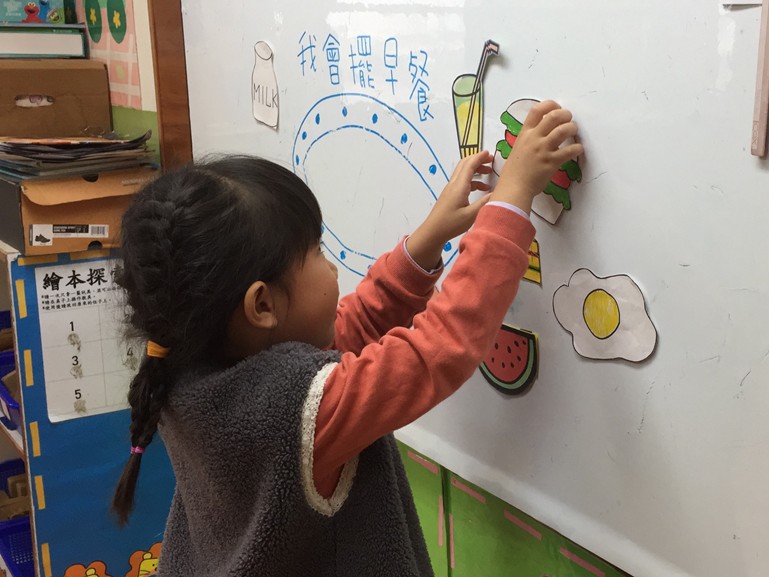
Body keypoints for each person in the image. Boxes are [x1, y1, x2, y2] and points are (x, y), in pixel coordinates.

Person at [110, 100, 583, 575]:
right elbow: (439, 348)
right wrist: (512, 198)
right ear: (262, 306)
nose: (332, 267)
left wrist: (428, 237)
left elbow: (346, 335)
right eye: (317, 251)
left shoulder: (183, 369)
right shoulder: (291, 413)